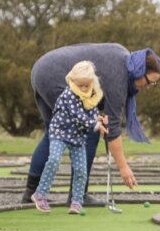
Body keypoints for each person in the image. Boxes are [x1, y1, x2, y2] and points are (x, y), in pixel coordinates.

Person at [21, 44, 160, 205]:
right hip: (55, 75)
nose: (148, 87)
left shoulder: (124, 60)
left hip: (42, 69)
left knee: (53, 132)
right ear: (139, 71)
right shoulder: (120, 77)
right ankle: (78, 195)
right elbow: (113, 130)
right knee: (91, 130)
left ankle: (30, 194)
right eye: (149, 82)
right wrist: (124, 168)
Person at [30, 61, 109, 214]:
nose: (84, 89)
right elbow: (78, 116)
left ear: (91, 83)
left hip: (77, 136)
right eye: (81, 86)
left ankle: (77, 201)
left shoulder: (90, 96)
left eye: (87, 85)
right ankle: (40, 194)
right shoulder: (68, 95)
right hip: (60, 133)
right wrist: (95, 124)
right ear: (72, 82)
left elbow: (91, 114)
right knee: (53, 160)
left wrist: (99, 119)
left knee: (80, 170)